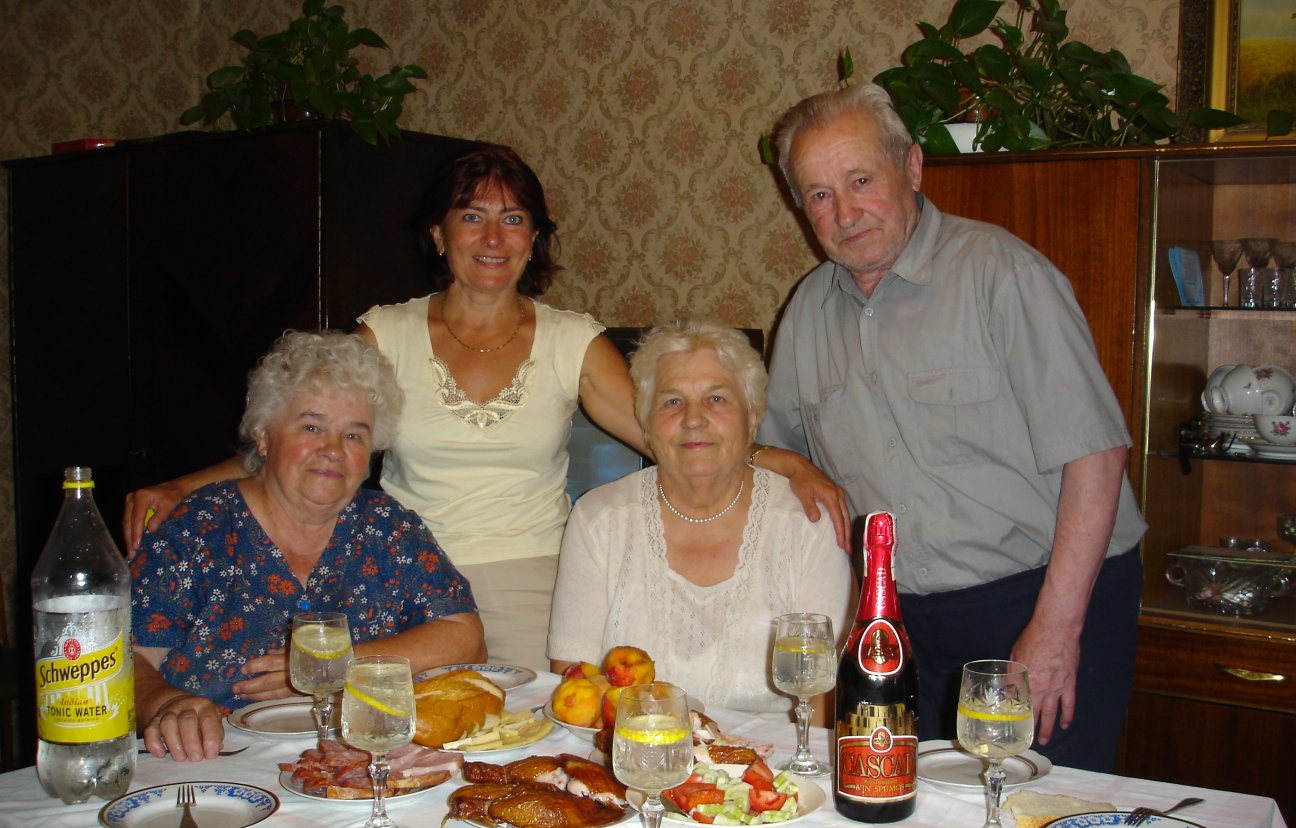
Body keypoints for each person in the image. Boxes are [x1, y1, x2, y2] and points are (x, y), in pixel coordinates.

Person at [123, 144, 849, 671]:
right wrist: (185, 485)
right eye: (472, 217)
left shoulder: (571, 341)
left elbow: (680, 436)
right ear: (438, 234)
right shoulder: (389, 332)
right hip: (397, 583)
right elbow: (303, 435)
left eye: (514, 220)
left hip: (530, 580)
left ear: (535, 239)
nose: (493, 239)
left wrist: (787, 464)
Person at [758, 82, 1147, 771]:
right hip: (903, 617)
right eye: (819, 194)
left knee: (1036, 816)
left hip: (1038, 593)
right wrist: (796, 466)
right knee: (919, 820)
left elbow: (1098, 454)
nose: (845, 213)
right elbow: (774, 448)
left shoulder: (1003, 275)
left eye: (860, 180)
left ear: (911, 167)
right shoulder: (808, 312)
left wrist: (1055, 629)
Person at [131, 331, 485, 762]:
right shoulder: (197, 527)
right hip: (210, 766)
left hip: (359, 763)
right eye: (312, 426)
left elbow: (464, 636)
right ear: (263, 437)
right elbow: (123, 657)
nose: (333, 450)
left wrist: (332, 666)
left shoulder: (386, 526)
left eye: (354, 436)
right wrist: (164, 703)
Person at [548, 320, 852, 713]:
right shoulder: (599, 520)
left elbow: (826, 702)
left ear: (753, 418)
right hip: (634, 764)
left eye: (717, 399)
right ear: (646, 422)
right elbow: (574, 690)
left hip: (776, 770)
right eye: (672, 401)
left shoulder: (806, 523)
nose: (693, 418)